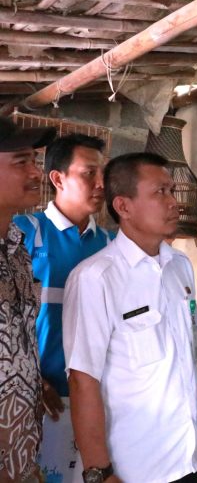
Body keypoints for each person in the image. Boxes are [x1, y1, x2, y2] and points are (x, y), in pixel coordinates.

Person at [63, 153, 197, 483]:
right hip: (135, 468)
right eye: (160, 192)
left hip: (188, 458)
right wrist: (99, 472)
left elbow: (193, 350)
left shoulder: (180, 266)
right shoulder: (96, 278)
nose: (174, 202)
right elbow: (82, 380)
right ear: (123, 206)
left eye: (172, 190)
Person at [14, 134, 111, 480]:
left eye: (103, 173)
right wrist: (31, 380)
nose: (101, 184)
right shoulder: (24, 234)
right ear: (58, 178)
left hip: (97, 401)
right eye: (89, 173)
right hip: (38, 400)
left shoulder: (111, 244)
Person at [0, 117, 57, 482]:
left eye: (35, 161)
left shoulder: (18, 250)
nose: (37, 173)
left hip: (21, 456)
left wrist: (32, 381)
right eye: (21, 162)